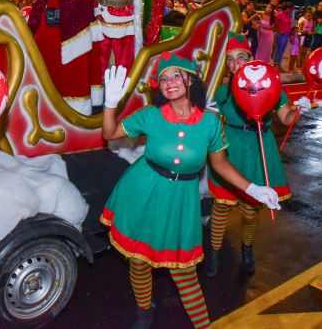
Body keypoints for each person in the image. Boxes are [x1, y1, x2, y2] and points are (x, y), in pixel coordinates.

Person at [100, 56, 280, 329]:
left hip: (180, 201)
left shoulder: (210, 123)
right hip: (143, 192)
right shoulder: (149, 116)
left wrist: (253, 188)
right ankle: (144, 311)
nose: (169, 83)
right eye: (163, 78)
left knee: (183, 272)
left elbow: (220, 164)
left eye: (176, 76)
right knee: (138, 260)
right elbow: (110, 133)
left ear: (191, 79)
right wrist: (110, 103)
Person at [204, 33, 308, 278]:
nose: (235, 63)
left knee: (251, 210)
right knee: (220, 207)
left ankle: (247, 249)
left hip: (258, 147)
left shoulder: (270, 84)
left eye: (241, 57)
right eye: (230, 59)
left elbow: (286, 118)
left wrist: (301, 108)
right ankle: (214, 253)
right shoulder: (222, 91)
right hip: (229, 148)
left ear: (251, 58)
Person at [272, 2, 293, 70]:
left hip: (286, 35)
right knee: (278, 50)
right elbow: (275, 25)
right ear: (286, 8)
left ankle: (278, 64)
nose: (291, 10)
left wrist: (290, 35)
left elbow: (289, 25)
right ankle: (276, 64)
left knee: (282, 50)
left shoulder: (289, 15)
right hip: (280, 35)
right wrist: (279, 30)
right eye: (289, 8)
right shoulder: (279, 15)